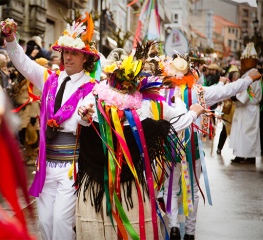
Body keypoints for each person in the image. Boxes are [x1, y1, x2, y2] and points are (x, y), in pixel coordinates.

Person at [75, 47, 206, 240]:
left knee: (99, 230)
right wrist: (194, 112)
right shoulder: (143, 110)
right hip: (128, 190)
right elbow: (176, 123)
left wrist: (84, 115)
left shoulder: (97, 103)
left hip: (96, 189)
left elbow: (80, 118)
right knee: (130, 228)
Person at [1, 14, 100, 240]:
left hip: (71, 165)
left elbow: (87, 118)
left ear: (85, 58)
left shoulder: (92, 87)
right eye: (66, 52)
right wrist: (10, 38)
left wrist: (85, 118)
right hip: (46, 162)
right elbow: (23, 63)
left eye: (74, 52)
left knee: (61, 222)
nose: (68, 57)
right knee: (45, 222)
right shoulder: (50, 78)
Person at [159, 55, 262, 240]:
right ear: (191, 73)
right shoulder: (199, 91)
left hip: (170, 143)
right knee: (193, 188)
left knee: (170, 189)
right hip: (192, 145)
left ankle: (174, 226)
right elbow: (226, 91)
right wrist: (248, 80)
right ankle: (190, 232)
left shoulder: (162, 92)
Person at [229, 42, 263, 164]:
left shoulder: (253, 75)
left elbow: (248, 93)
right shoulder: (248, 74)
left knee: (247, 134)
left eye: (243, 62)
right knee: (241, 133)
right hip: (244, 109)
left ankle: (249, 156)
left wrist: (234, 97)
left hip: (249, 109)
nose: (242, 64)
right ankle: (240, 154)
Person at [216, 65, 241, 154]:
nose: (236, 79)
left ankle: (237, 151)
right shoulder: (228, 85)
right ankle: (219, 147)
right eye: (234, 77)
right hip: (228, 111)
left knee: (236, 132)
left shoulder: (240, 86)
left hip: (237, 111)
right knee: (224, 130)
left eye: (237, 77)